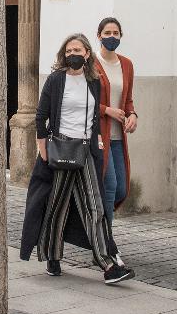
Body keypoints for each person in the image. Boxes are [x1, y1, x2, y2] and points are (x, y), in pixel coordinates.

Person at [19, 33, 135, 286]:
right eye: (70, 50)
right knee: (57, 205)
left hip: (86, 152)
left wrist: (98, 142)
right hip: (60, 150)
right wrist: (43, 149)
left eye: (79, 50)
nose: (74, 54)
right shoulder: (55, 80)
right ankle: (52, 257)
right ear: (64, 54)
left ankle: (108, 264)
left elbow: (95, 116)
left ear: (87, 54)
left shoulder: (94, 81)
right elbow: (41, 117)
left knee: (95, 207)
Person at [95, 17, 137, 226]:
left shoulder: (127, 64)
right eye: (107, 33)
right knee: (109, 184)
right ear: (99, 36)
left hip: (118, 135)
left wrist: (133, 115)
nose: (112, 37)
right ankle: (107, 241)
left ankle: (99, 226)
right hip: (99, 135)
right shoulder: (90, 63)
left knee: (121, 188)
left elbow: (128, 99)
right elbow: (83, 100)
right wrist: (107, 110)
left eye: (115, 33)